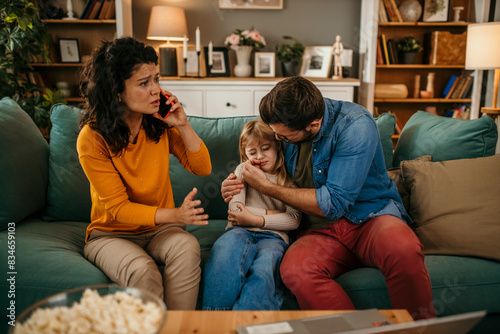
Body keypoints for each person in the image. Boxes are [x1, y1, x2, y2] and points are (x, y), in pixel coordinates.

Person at [221, 76, 436, 320]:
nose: (278, 141)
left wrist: (268, 188)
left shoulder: (355, 126)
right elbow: (259, 156)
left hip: (370, 217)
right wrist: (234, 184)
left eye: (284, 138)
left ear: (312, 125)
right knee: (295, 271)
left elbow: (333, 204)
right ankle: (356, 329)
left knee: (404, 249)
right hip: (318, 229)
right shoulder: (284, 127)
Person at [76, 37, 212, 310]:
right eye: (143, 83)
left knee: (187, 248)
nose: (156, 91)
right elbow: (118, 209)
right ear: (116, 91)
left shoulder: (159, 124)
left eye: (156, 79)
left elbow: (202, 167)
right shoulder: (92, 138)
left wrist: (183, 125)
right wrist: (176, 214)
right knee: (142, 270)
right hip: (111, 234)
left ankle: (179, 329)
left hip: (162, 230)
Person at [203, 119, 301, 310]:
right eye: (252, 152)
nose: (260, 156)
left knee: (267, 266)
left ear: (277, 147)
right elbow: (236, 211)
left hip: (274, 237)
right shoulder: (243, 171)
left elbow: (294, 220)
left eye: (266, 148)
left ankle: (249, 321)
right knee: (225, 251)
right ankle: (214, 318)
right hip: (238, 230)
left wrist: (255, 218)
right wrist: (274, 214)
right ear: (245, 154)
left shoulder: (288, 180)